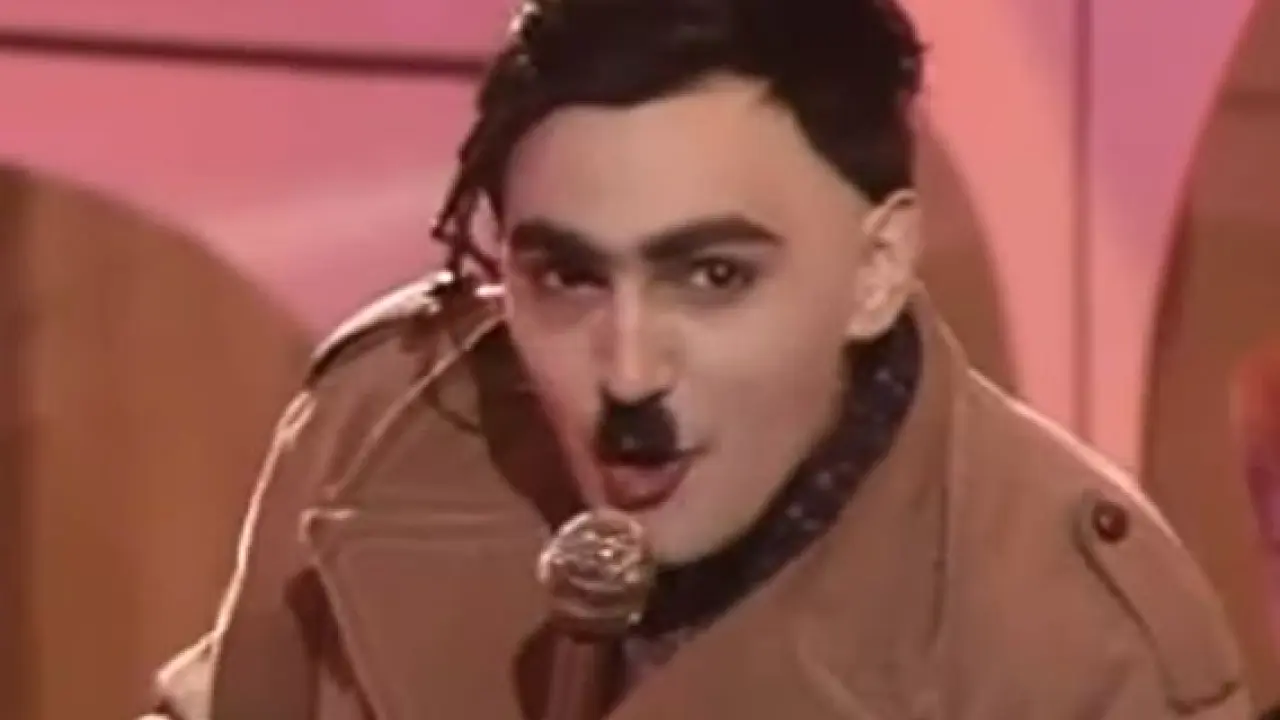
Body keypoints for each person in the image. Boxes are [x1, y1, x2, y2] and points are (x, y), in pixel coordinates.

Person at [143, 0, 1255, 717]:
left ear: (876, 270)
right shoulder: (381, 424)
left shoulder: (1071, 642)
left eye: (713, 276)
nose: (628, 373)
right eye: (566, 276)